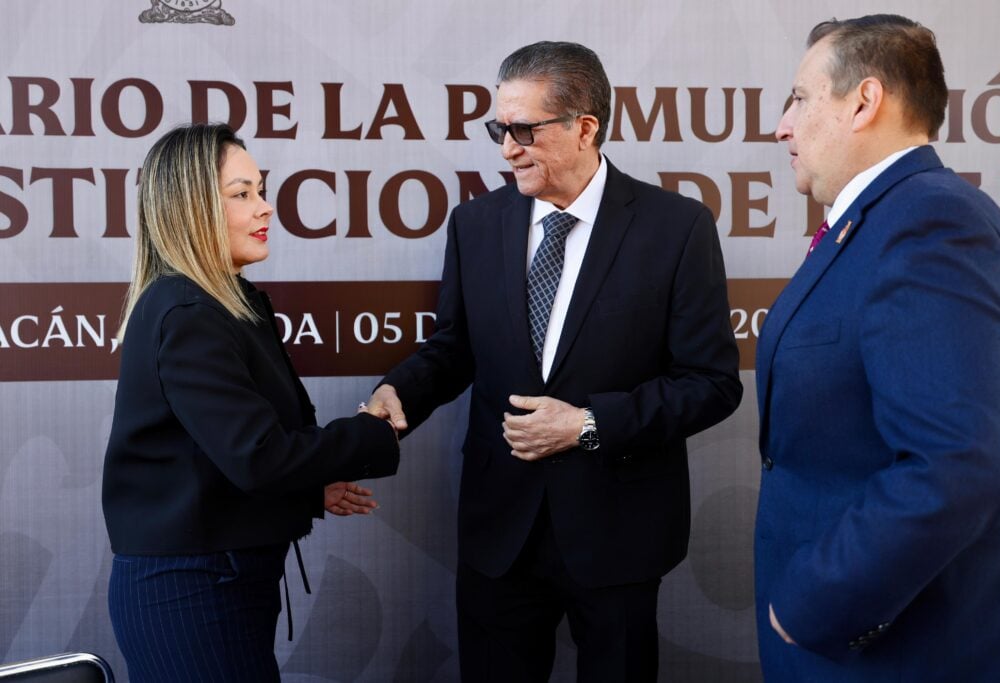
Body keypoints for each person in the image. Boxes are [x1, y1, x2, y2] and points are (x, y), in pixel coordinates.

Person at [365, 41, 741, 682]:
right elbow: (453, 347)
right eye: (497, 129)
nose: (506, 148)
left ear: (584, 127)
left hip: (618, 530)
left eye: (522, 130)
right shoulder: (475, 224)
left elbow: (710, 384)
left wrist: (588, 424)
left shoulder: (676, 228)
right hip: (499, 529)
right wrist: (401, 392)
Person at [756, 14, 1000, 681]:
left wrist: (815, 601)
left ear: (864, 101)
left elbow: (958, 461)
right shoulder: (881, 219)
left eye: (797, 99)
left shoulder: (929, 222)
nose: (781, 126)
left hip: (893, 652)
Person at [102, 123, 400, 682]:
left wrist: (310, 488)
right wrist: (373, 434)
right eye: (242, 195)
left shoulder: (213, 304)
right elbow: (256, 456)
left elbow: (212, 456)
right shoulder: (189, 313)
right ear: (191, 208)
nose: (265, 209)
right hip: (192, 593)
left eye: (261, 190)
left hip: (215, 582)